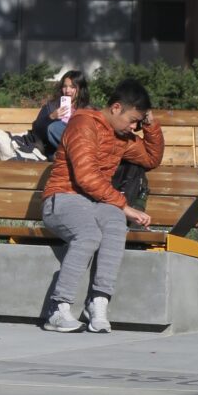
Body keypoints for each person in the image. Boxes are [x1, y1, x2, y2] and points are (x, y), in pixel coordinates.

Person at [40, 78, 164, 334]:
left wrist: (151, 124)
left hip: (94, 201)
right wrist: (125, 206)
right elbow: (85, 176)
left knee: (116, 222)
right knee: (89, 234)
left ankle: (97, 302)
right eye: (133, 120)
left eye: (139, 123)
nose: (134, 127)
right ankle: (58, 308)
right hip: (62, 198)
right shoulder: (84, 124)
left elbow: (151, 158)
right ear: (116, 108)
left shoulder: (123, 136)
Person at [0, 70, 90, 161]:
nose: (67, 90)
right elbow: (36, 129)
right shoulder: (52, 106)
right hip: (56, 151)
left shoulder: (88, 109)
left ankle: (78, 153)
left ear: (80, 89)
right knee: (54, 127)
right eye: (65, 86)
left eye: (73, 87)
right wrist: (52, 117)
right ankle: (79, 154)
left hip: (80, 146)